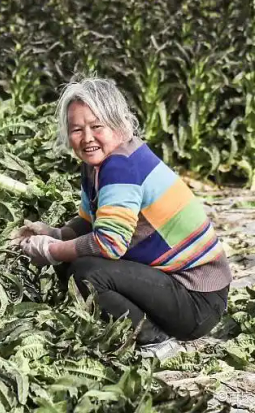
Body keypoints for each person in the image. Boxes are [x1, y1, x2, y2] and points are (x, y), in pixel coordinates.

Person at [13, 77, 232, 359]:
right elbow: (89, 221)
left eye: (96, 126)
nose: (87, 137)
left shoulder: (121, 166)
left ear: (117, 124)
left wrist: (51, 250)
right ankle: (145, 328)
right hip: (180, 289)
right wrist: (56, 233)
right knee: (74, 265)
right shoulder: (98, 165)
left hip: (197, 299)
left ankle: (155, 340)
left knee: (87, 273)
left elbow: (109, 244)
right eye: (77, 129)